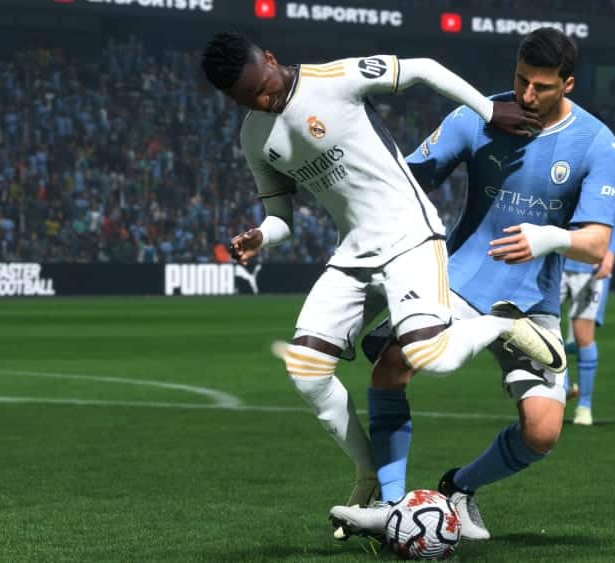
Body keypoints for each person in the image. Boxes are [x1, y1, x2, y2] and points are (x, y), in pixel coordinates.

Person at [199, 31, 566, 521]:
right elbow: (281, 218)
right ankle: (369, 475)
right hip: (353, 253)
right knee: (305, 370)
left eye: (262, 87)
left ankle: (503, 324)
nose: (262, 101)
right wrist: (261, 237)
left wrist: (487, 110)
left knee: (432, 357)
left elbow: (424, 68)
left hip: (410, 235)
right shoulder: (254, 137)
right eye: (247, 99)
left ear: (270, 58)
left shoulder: (334, 79)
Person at [329, 27, 615, 541]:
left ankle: (459, 488)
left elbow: (597, 244)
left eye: (541, 86)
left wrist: (549, 237)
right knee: (393, 366)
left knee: (542, 432)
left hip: (530, 304)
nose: (526, 95)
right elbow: (408, 181)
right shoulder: (477, 116)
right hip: (460, 280)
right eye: (521, 80)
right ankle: (392, 505)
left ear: (568, 84)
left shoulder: (598, 143)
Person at [560, 181, 615, 426]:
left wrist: (609, 253)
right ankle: (564, 387)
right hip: (556, 258)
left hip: (589, 265)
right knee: (542, 328)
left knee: (583, 336)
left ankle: (584, 406)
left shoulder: (608, 167)